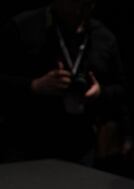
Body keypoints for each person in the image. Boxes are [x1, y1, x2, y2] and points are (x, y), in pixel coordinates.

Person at [0, 0, 127, 165]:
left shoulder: (103, 36)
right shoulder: (23, 27)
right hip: (27, 142)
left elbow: (122, 90)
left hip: (81, 145)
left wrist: (99, 92)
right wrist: (34, 85)